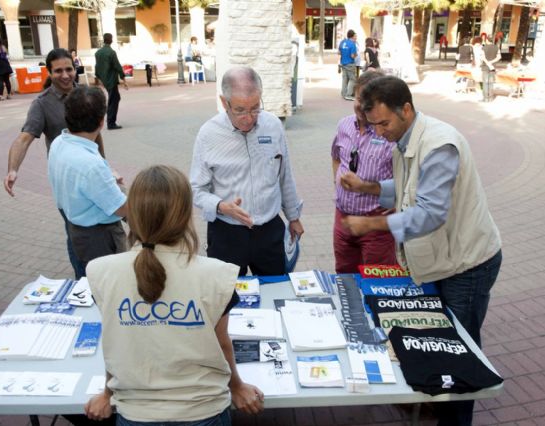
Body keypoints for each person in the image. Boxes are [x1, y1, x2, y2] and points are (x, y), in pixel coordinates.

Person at [341, 75, 502, 426]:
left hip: (467, 265)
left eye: (384, 123)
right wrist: (368, 188)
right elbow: (406, 188)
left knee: (460, 353)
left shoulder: (439, 144)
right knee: (439, 343)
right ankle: (439, 407)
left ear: (407, 109)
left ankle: (455, 419)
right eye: (373, 125)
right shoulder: (405, 137)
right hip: (443, 262)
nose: (379, 132)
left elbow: (429, 212)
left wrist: (373, 225)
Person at [84, 165, 264, 425]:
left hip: (136, 413)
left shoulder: (101, 271)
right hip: (203, 411)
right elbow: (222, 345)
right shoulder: (216, 274)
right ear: (184, 216)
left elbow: (116, 342)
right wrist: (237, 386)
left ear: (132, 212)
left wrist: (107, 393)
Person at [3, 48, 119, 279]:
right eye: (58, 71)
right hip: (68, 178)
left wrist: (105, 165)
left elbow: (96, 134)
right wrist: (12, 170)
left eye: (69, 69)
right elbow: (24, 138)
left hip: (91, 172)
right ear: (50, 72)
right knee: (75, 230)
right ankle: (82, 279)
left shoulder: (85, 94)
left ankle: (100, 272)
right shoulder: (42, 104)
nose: (65, 75)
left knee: (97, 226)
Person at [190, 66, 304, 276]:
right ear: (224, 102)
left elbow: (284, 175)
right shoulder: (208, 134)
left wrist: (293, 217)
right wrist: (221, 206)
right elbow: (196, 189)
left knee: (276, 292)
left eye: (255, 108)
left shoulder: (273, 126)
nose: (249, 118)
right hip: (227, 234)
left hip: (269, 232)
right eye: (240, 110)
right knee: (227, 300)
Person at [47, 86, 127, 270]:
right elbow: (121, 208)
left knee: (86, 275)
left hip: (77, 228)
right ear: (101, 121)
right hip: (99, 237)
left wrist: (106, 179)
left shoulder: (59, 142)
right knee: (105, 285)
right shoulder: (90, 165)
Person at [331, 70, 396, 273]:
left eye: (369, 101)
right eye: (359, 98)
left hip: (375, 225)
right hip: (343, 220)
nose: (362, 106)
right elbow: (335, 156)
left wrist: (397, 204)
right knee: (344, 277)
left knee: (378, 283)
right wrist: (337, 182)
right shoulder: (344, 125)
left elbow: (406, 181)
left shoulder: (389, 134)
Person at [95, 33, 127, 130]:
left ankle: (110, 119)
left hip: (105, 79)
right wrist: (123, 77)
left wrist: (99, 77)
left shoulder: (98, 53)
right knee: (113, 100)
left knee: (115, 98)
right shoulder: (111, 52)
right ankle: (111, 122)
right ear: (111, 40)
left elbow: (97, 67)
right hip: (111, 79)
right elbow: (117, 65)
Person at [338, 29, 358, 101]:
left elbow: (339, 52)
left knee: (344, 78)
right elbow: (352, 56)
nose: (356, 38)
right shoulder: (352, 44)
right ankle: (348, 95)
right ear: (352, 36)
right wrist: (356, 54)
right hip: (350, 63)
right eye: (355, 36)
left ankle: (343, 93)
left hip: (343, 62)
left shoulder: (343, 42)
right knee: (352, 79)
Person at [481, 36, 501, 102]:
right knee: (491, 83)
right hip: (493, 67)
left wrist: (488, 63)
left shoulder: (483, 48)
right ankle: (491, 98)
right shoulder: (496, 47)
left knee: (485, 83)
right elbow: (499, 57)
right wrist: (491, 62)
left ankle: (486, 98)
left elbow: (482, 57)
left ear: (487, 40)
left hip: (485, 67)